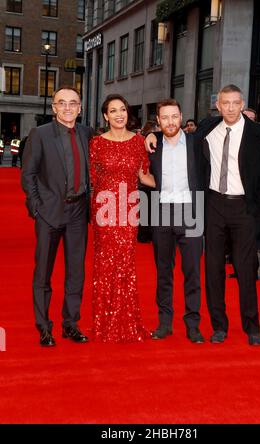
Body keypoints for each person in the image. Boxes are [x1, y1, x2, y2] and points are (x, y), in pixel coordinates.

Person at [146, 85, 260, 346]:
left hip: (244, 208)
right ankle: (219, 327)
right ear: (218, 105)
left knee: (245, 268)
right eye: (225, 103)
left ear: (242, 104)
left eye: (235, 103)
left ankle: (252, 327)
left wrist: (254, 208)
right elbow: (167, 134)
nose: (230, 108)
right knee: (213, 268)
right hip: (213, 205)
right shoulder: (207, 128)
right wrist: (150, 134)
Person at [21, 86, 93, 347]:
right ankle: (44, 327)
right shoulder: (39, 134)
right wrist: (37, 208)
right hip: (49, 212)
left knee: (76, 272)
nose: (67, 107)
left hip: (78, 212)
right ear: (53, 107)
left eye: (73, 103)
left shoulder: (87, 133)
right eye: (61, 103)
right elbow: (28, 175)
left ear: (80, 107)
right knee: (43, 273)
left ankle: (70, 324)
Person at [89, 94, 155, 343]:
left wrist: (175, 181)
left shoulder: (138, 142)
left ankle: (126, 321)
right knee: (105, 264)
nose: (119, 114)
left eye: (123, 110)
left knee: (125, 264)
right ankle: (104, 322)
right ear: (106, 116)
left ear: (128, 113)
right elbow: (91, 179)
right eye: (113, 110)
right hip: (104, 213)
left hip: (128, 212)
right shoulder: (96, 143)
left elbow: (144, 176)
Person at [148, 99, 205, 344]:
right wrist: (147, 136)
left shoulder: (196, 142)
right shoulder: (152, 146)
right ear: (158, 121)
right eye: (164, 118)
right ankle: (164, 323)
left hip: (191, 211)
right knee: (163, 271)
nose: (170, 121)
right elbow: (144, 176)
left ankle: (193, 324)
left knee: (192, 271)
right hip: (160, 212)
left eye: (174, 116)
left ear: (181, 116)